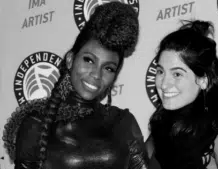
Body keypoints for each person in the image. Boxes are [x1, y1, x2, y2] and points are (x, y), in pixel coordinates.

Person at [3, 2, 148, 169]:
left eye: (108, 68)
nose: (96, 74)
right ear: (71, 60)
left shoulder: (123, 122)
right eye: (88, 60)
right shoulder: (36, 124)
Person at [146, 20, 218, 169]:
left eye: (177, 74)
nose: (164, 84)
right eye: (160, 71)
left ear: (203, 80)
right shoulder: (162, 123)